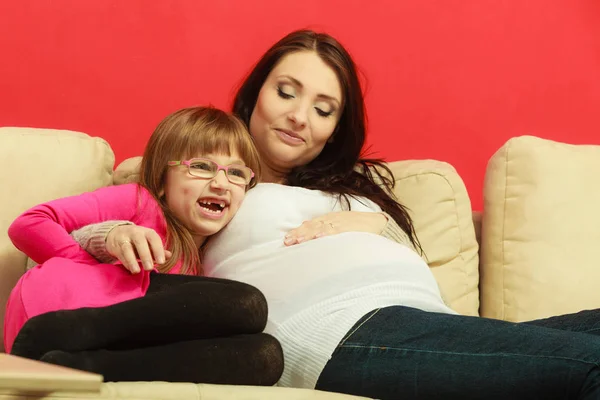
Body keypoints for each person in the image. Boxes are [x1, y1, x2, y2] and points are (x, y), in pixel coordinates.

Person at [71, 30, 600, 399]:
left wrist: (375, 223)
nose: (301, 117)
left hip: (428, 327)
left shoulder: (353, 192)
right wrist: (113, 234)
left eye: (324, 109)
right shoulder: (213, 179)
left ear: (334, 129)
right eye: (286, 92)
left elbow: (398, 256)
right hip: (334, 333)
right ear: (255, 95)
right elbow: (113, 221)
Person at [5, 106, 283, 386]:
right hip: (53, 317)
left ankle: (78, 368)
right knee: (250, 304)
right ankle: (72, 333)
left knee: (266, 357)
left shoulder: (205, 262)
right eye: (200, 166)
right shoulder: (139, 201)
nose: (221, 183)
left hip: (82, 351)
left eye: (236, 173)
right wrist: (92, 265)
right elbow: (29, 224)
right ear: (162, 181)